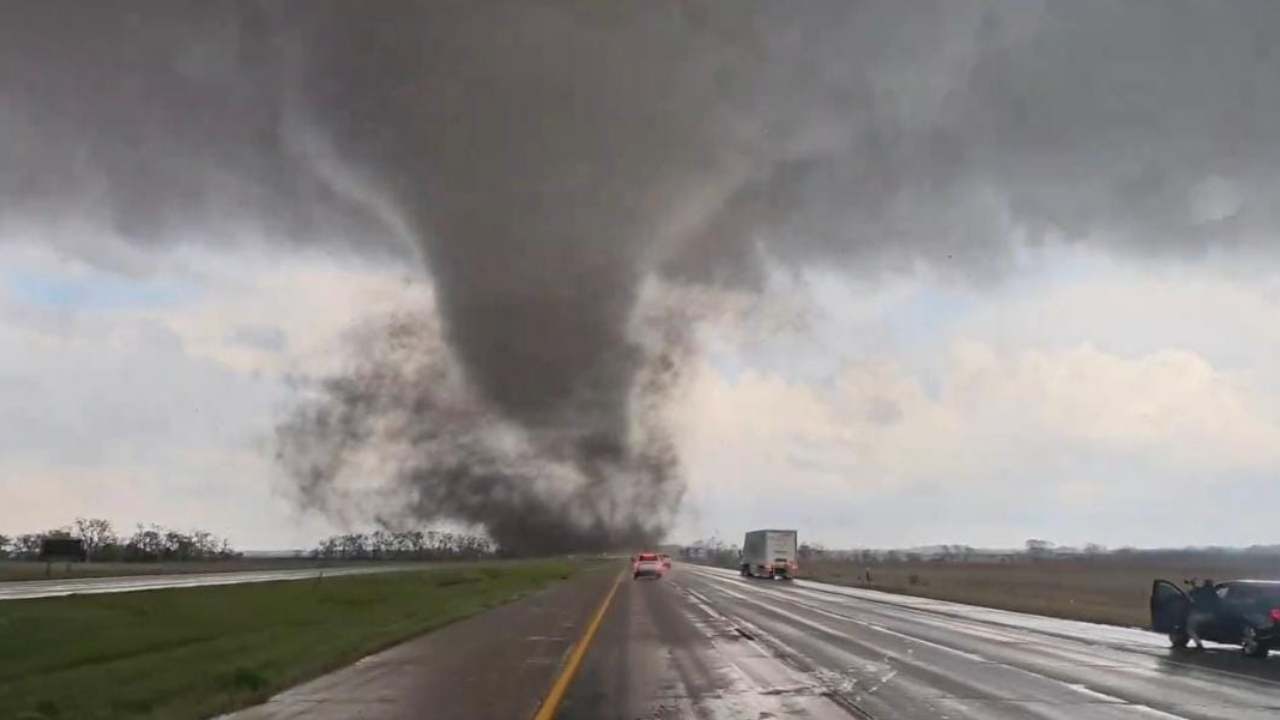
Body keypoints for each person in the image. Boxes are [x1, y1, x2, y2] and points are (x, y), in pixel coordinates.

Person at [1187, 578, 1218, 650]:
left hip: (1200, 615)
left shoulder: (1201, 592)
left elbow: (1192, 598)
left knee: (1190, 629)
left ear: (1204, 584)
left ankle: (1198, 644)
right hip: (1212, 616)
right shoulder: (1214, 593)